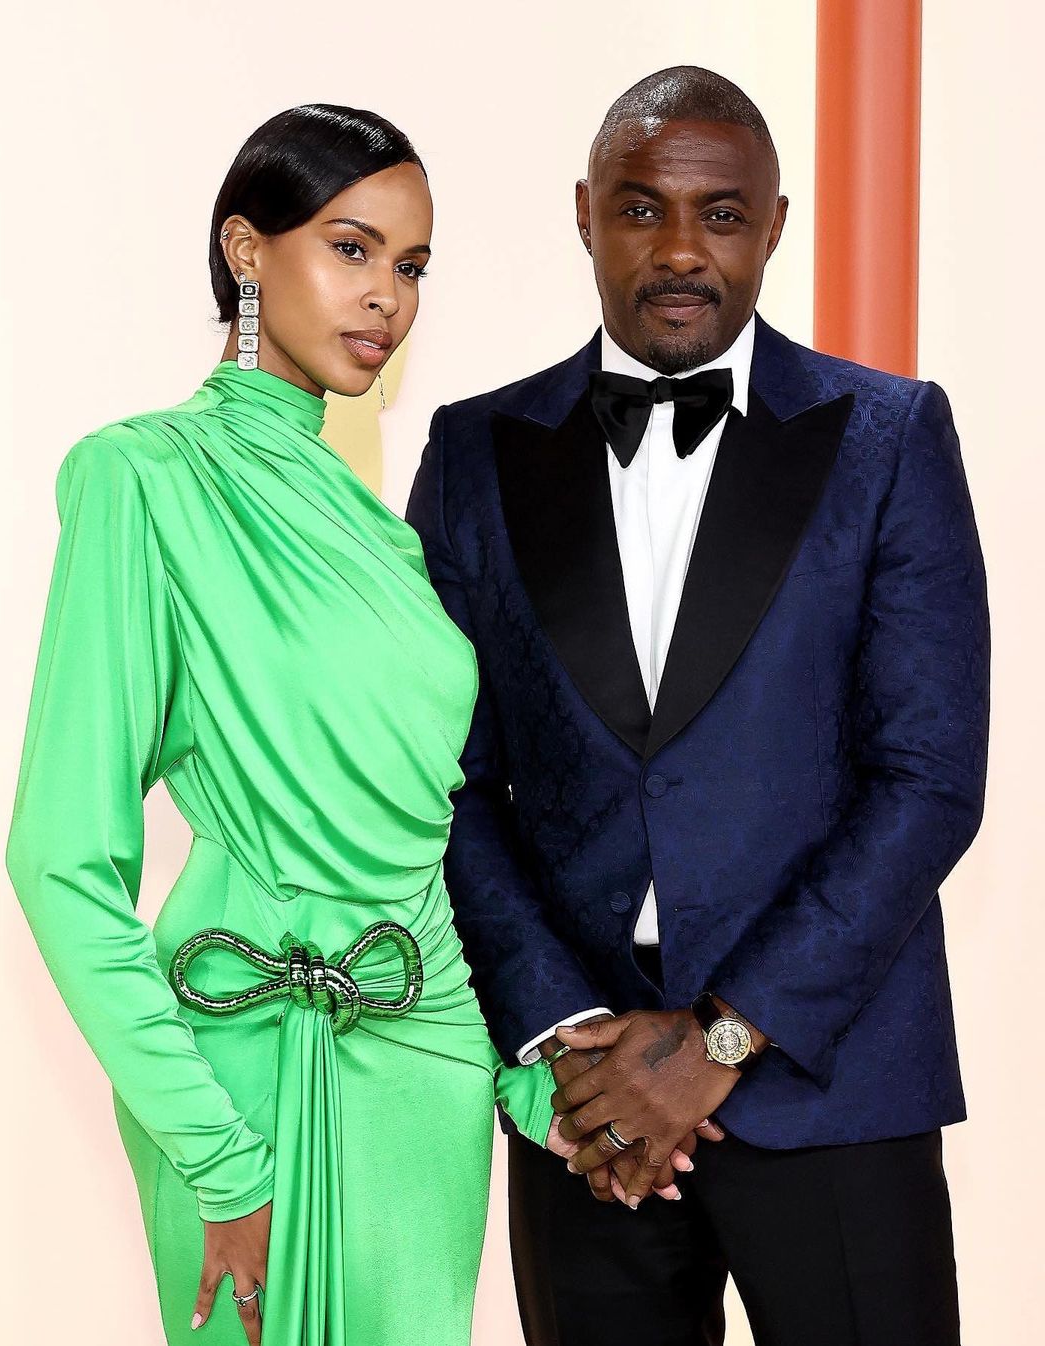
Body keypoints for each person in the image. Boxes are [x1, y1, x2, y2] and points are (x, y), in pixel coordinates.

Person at [405, 66, 988, 1346]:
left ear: (774, 224)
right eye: (639, 209)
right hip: (585, 1103)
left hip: (832, 1082)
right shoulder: (472, 452)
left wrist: (720, 1040)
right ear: (584, 213)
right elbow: (447, 781)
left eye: (721, 214)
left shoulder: (890, 437)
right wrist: (566, 1030)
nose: (679, 251)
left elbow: (930, 778)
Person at [5, 103, 568, 1346]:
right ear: (247, 249)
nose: (387, 297)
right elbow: (57, 856)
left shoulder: (381, 533)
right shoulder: (143, 478)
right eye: (351, 248)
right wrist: (215, 1152)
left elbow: (422, 836)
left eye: (411, 266)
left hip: (425, 1064)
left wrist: (519, 1072)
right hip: (240, 1070)